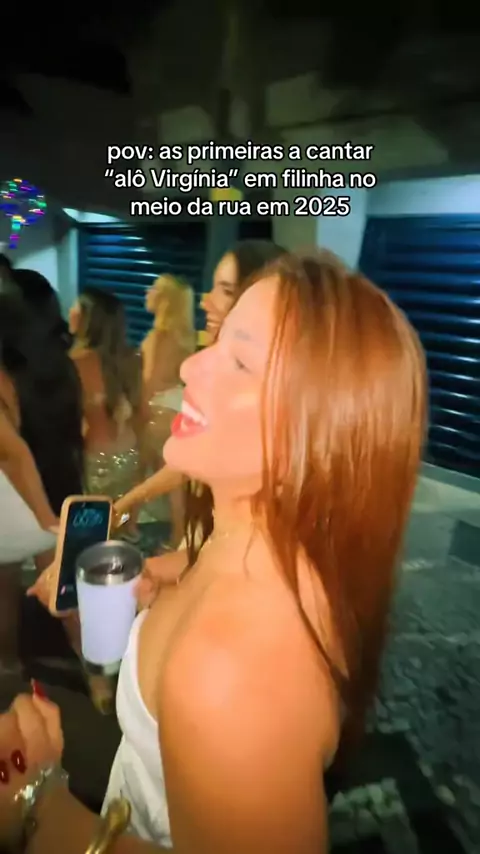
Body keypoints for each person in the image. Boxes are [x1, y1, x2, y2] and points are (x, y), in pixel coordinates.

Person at [0, 250, 427, 853]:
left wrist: (37, 802)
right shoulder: (268, 543)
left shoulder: (232, 673)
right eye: (217, 342)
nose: (193, 365)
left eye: (241, 361)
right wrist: (159, 585)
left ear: (318, 427)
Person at [113, 240, 286, 533]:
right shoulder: (217, 362)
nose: (206, 302)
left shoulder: (265, 389)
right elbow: (188, 460)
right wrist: (128, 502)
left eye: (226, 291)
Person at [0, 281, 83, 670]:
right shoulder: (57, 368)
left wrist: (44, 519)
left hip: (18, 501)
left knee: (5, 593)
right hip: (56, 485)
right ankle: (99, 677)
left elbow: (14, 455)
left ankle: (8, 669)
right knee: (67, 597)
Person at [68, 288, 146, 511]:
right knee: (120, 516)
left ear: (89, 320)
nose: (70, 312)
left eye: (76, 308)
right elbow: (140, 411)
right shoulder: (132, 358)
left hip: (95, 458)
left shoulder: (75, 363)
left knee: (95, 519)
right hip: (129, 452)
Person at [141, 273, 196, 546]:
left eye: (154, 288)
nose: (147, 291)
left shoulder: (159, 337)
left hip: (159, 410)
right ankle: (179, 536)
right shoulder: (185, 337)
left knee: (158, 477)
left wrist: (137, 412)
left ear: (165, 300)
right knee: (176, 482)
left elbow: (149, 381)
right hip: (178, 406)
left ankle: (172, 538)